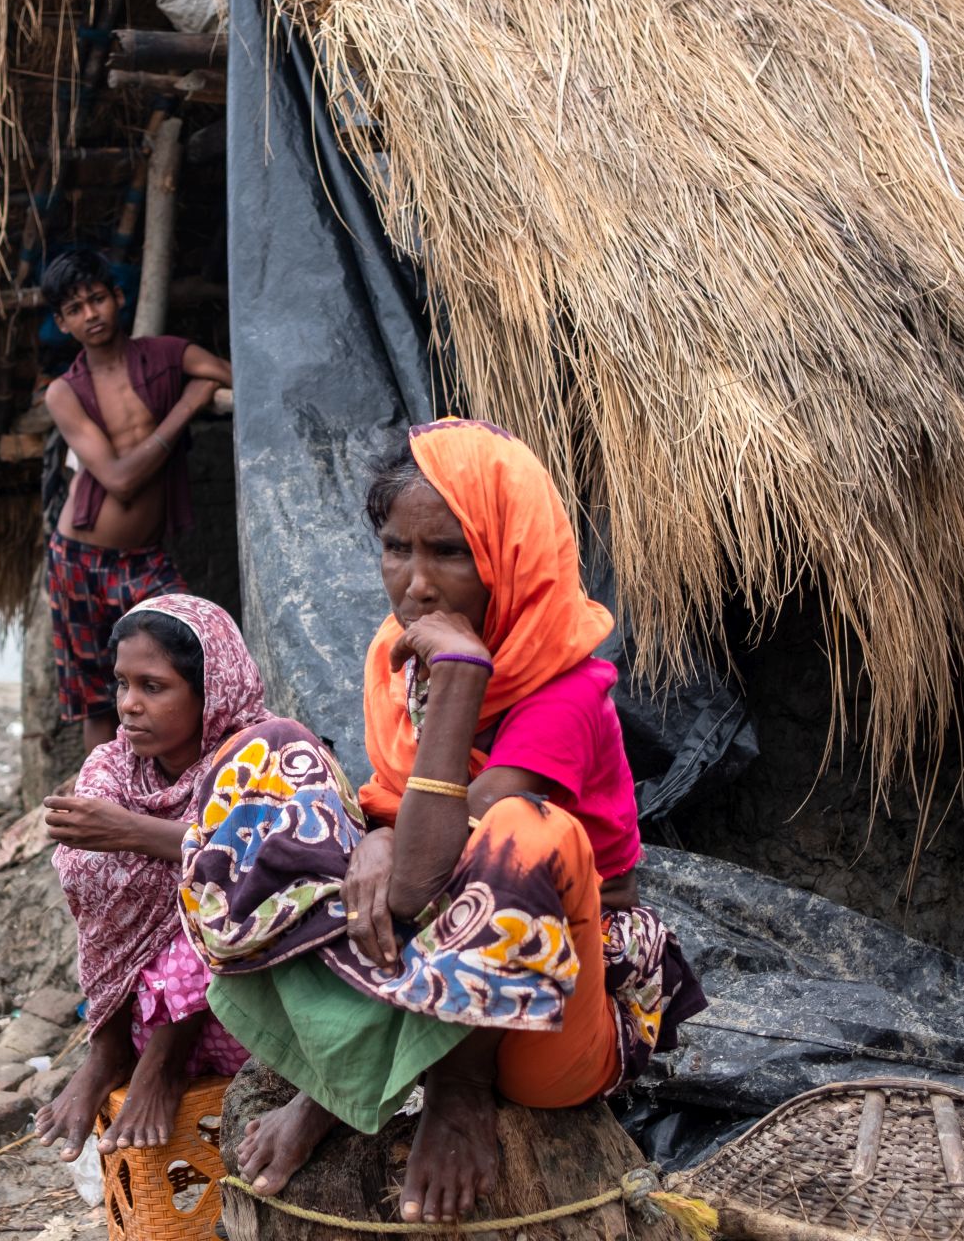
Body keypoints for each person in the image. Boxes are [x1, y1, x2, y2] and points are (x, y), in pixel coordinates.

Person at [179, 419, 706, 1225]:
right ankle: (339, 1080)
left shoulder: (564, 693)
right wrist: (378, 835)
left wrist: (461, 678)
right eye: (398, 548)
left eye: (450, 552)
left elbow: (445, 868)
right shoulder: (398, 654)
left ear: (512, 554)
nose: (416, 584)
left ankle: (454, 1089)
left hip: (552, 1008)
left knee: (528, 835)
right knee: (267, 756)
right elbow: (402, 819)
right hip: (422, 952)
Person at [35, 595, 260, 1161]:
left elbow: (249, 866)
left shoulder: (255, 758)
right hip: (135, 1007)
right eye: (121, 684)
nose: (129, 706)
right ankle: (109, 1051)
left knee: (222, 894)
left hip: (238, 1010)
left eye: (153, 687)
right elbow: (86, 867)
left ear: (211, 693)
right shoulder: (113, 764)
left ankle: (161, 1067)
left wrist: (134, 833)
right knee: (90, 864)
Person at [40, 248, 235, 756]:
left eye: (98, 299)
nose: (92, 314)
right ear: (62, 323)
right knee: (95, 698)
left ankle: (195, 785)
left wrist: (200, 386)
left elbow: (230, 373)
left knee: (192, 647)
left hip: (142, 559)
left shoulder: (165, 354)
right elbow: (119, 480)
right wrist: (188, 405)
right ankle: (99, 818)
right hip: (76, 559)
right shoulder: (64, 392)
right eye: (76, 309)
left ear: (119, 297)